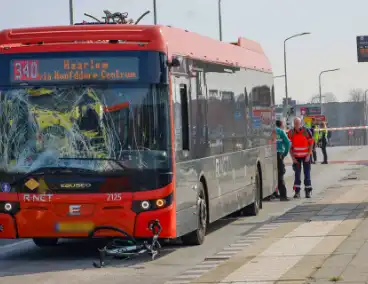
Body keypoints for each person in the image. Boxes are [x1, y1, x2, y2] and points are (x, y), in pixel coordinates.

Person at [288, 117, 314, 199]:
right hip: (296, 158)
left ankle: (307, 192)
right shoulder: (291, 133)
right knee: (297, 175)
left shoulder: (306, 131)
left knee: (307, 174)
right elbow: (289, 147)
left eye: (298, 123)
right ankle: (297, 192)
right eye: (295, 123)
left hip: (306, 156)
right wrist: (293, 158)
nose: (296, 125)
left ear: (301, 124)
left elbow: (311, 143)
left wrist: (309, 154)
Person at [276, 120, 291, 201]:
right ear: (281, 125)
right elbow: (288, 143)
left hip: (268, 155)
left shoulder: (269, 131)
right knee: (280, 174)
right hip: (279, 154)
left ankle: (273, 194)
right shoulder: (281, 131)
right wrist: (285, 154)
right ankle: (283, 195)